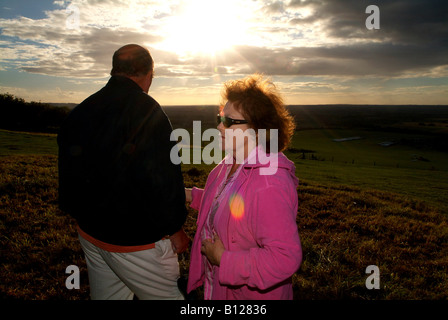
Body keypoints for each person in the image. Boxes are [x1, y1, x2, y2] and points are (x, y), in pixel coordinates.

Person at [57, 44, 189, 300]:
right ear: (149, 73)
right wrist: (175, 229)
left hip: (90, 234)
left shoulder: (82, 110)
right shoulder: (147, 110)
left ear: (114, 70)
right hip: (136, 243)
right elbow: (161, 178)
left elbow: (70, 173)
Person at [186, 74, 302, 300]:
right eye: (220, 117)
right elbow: (230, 203)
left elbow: (285, 258)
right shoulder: (232, 163)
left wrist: (223, 259)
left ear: (257, 130)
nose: (219, 126)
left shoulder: (269, 182)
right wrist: (192, 196)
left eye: (229, 121)